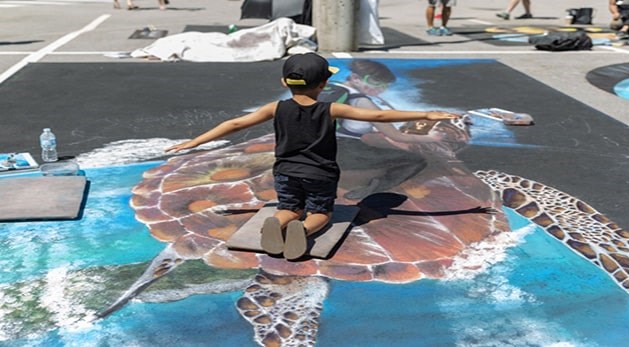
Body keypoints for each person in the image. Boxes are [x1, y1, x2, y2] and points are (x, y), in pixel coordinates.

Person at [166, 53, 459, 261]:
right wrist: (427, 113)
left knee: (290, 207)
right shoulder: (331, 109)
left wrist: (194, 141)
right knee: (321, 213)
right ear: (322, 86)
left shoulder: (275, 108)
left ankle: (279, 223)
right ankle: (303, 230)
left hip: (285, 172)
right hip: (320, 173)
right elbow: (379, 114)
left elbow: (234, 125)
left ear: (285, 82)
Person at [319, 59, 458, 200]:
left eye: (384, 86)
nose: (379, 89)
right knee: (415, 161)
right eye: (375, 82)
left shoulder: (328, 88)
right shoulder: (361, 101)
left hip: (313, 145)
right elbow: (397, 136)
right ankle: (371, 190)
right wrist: (431, 138)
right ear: (355, 78)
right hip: (342, 152)